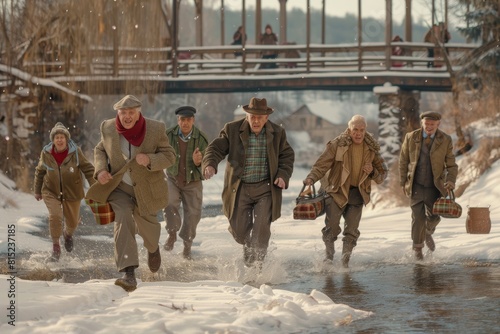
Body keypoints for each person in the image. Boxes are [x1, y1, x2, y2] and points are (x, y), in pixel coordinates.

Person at [86, 95, 176, 292]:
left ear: (138, 113)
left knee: (148, 227)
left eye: (131, 113)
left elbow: (170, 156)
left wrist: (151, 159)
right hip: (120, 188)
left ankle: (153, 248)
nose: (127, 117)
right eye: (123, 113)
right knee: (123, 217)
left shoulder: (155, 128)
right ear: (118, 113)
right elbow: (100, 150)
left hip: (147, 188)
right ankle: (128, 272)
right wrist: (100, 170)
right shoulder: (108, 128)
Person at [202, 97, 294, 267]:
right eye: (253, 116)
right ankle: (248, 250)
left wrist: (282, 175)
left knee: (260, 231)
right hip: (240, 188)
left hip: (266, 189)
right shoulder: (232, 129)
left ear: (266, 118)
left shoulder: (277, 133)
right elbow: (215, 148)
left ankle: (256, 269)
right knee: (240, 232)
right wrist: (210, 164)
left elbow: (287, 156)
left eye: (260, 117)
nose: (256, 120)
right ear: (247, 116)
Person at [304, 115, 388, 268]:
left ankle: (345, 263)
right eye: (355, 129)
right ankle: (328, 258)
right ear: (349, 130)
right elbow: (321, 165)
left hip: (358, 194)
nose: (358, 133)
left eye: (361, 130)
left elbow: (383, 174)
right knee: (332, 227)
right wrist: (311, 179)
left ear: (365, 130)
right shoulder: (337, 144)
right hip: (336, 192)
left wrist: (372, 172)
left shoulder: (372, 148)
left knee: (351, 231)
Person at [399, 111, 458, 261]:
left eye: (432, 124)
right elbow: (403, 161)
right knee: (417, 218)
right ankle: (417, 248)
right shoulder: (411, 137)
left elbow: (451, 164)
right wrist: (403, 182)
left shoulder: (445, 139)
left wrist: (450, 181)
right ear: (422, 123)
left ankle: (427, 232)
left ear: (438, 124)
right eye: (427, 124)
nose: (429, 127)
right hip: (416, 185)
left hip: (435, 186)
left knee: (434, 216)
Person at [33, 122, 95, 262]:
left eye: (62, 137)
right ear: (53, 140)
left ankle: (67, 234)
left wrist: (94, 187)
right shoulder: (46, 153)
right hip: (51, 190)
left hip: (72, 191)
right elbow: (40, 171)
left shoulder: (75, 152)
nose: (60, 140)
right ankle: (56, 246)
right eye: (57, 137)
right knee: (55, 215)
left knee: (72, 223)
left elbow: (88, 169)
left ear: (67, 140)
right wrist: (37, 190)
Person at [163, 106, 209, 260]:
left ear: (193, 120)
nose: (186, 123)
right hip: (172, 177)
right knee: (169, 203)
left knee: (193, 214)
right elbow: (159, 153)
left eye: (189, 119)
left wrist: (198, 162)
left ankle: (187, 245)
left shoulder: (201, 138)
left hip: (193, 181)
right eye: (183, 119)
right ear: (178, 120)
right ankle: (172, 234)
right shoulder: (168, 135)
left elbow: (208, 163)